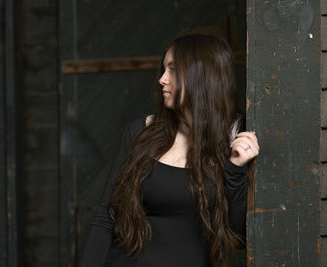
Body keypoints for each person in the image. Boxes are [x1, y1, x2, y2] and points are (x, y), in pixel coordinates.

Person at [80, 33, 260, 267]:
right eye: (164, 69)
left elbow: (240, 237)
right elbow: (106, 217)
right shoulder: (141, 132)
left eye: (173, 70)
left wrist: (234, 170)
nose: (162, 79)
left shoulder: (236, 142)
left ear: (201, 75)